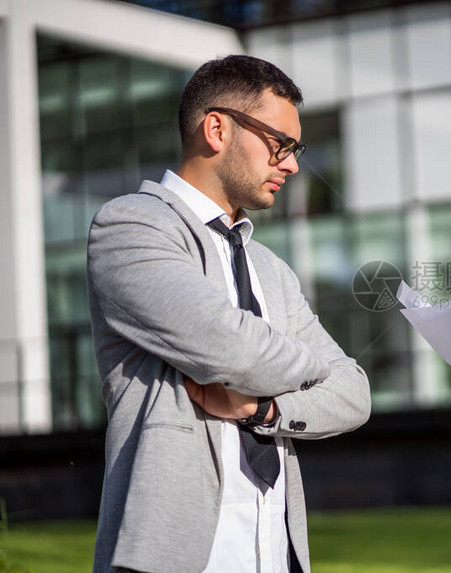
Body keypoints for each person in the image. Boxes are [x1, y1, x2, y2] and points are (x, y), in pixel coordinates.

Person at [87, 55, 371, 573]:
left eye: (295, 149)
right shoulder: (130, 228)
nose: (290, 163)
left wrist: (261, 410)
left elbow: (354, 394)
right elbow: (230, 347)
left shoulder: (271, 268)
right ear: (217, 128)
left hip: (277, 556)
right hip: (177, 557)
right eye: (280, 143)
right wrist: (314, 368)